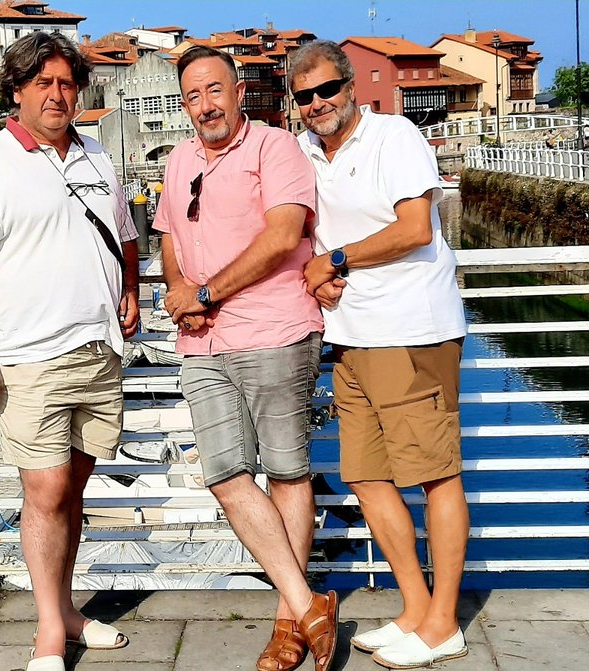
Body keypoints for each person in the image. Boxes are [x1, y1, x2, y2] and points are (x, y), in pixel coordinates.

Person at [0, 32, 139, 671]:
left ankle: (69, 610)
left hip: (98, 350)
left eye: (67, 83)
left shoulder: (99, 159)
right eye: (43, 83)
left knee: (72, 490)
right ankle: (51, 630)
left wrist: (130, 287)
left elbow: (126, 233)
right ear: (18, 90)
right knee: (46, 490)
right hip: (27, 355)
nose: (57, 94)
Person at [154, 44, 338, 671]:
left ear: (237, 92)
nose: (203, 104)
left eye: (213, 90)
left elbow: (285, 234)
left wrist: (209, 292)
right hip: (202, 340)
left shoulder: (274, 149)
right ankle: (310, 602)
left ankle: (289, 627)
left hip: (275, 330)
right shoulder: (179, 161)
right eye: (191, 96)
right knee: (227, 476)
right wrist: (181, 292)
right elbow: (171, 242)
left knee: (287, 473)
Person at [290, 41, 471, 670]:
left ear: (350, 87)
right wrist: (319, 275)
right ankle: (417, 610)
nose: (318, 104)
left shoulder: (393, 136)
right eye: (305, 96)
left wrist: (336, 260)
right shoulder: (310, 154)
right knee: (366, 476)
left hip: (411, 331)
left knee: (435, 473)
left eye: (327, 90)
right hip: (352, 336)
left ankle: (444, 623)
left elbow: (415, 227)